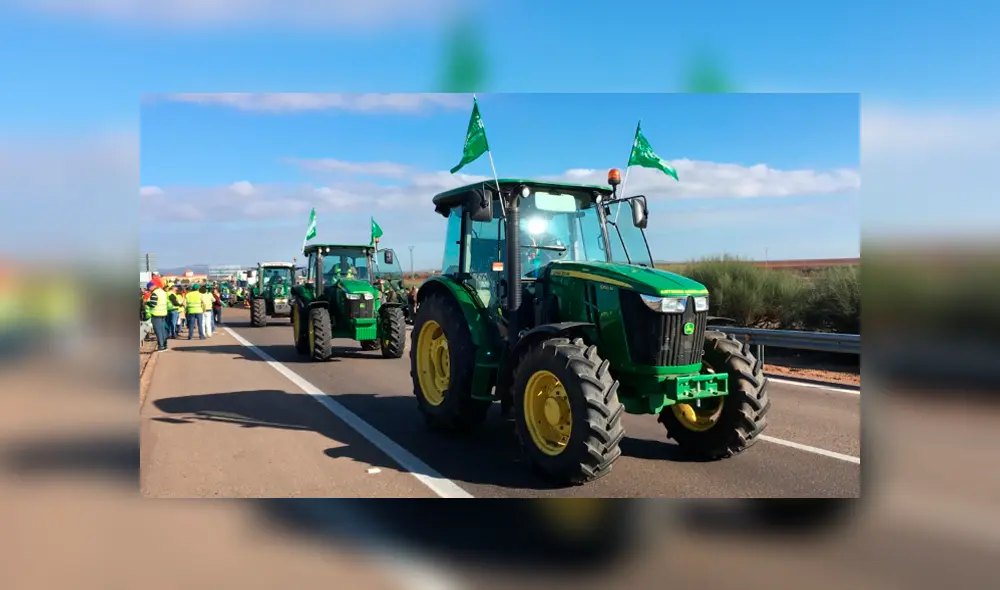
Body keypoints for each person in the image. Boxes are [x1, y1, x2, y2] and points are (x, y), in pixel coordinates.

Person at [144, 281, 169, 351]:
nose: (149, 290)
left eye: (149, 288)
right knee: (162, 330)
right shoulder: (163, 292)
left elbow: (153, 304)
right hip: (163, 313)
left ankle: (161, 346)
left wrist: (147, 303)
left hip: (156, 314)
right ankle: (165, 344)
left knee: (158, 331)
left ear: (151, 287)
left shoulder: (155, 293)